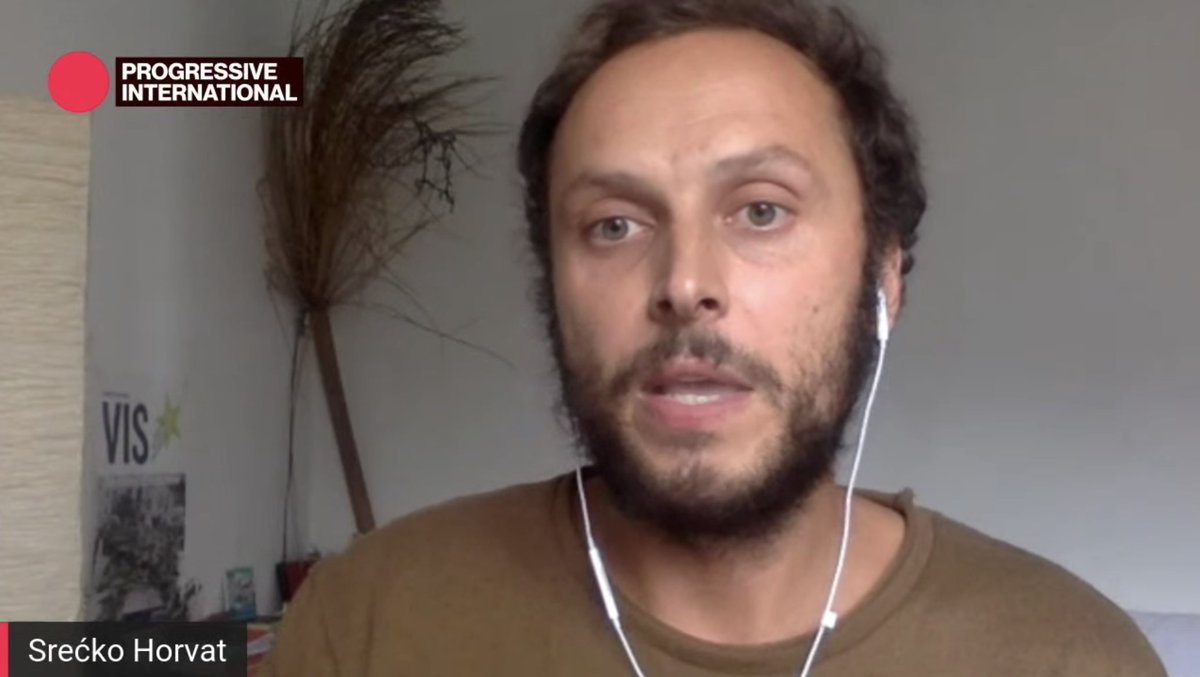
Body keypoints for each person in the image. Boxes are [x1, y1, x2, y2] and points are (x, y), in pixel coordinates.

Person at [261, 1, 1166, 674]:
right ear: (553, 287)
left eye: (761, 210)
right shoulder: (367, 625)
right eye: (615, 224)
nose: (685, 283)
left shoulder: (1070, 655)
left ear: (883, 277)